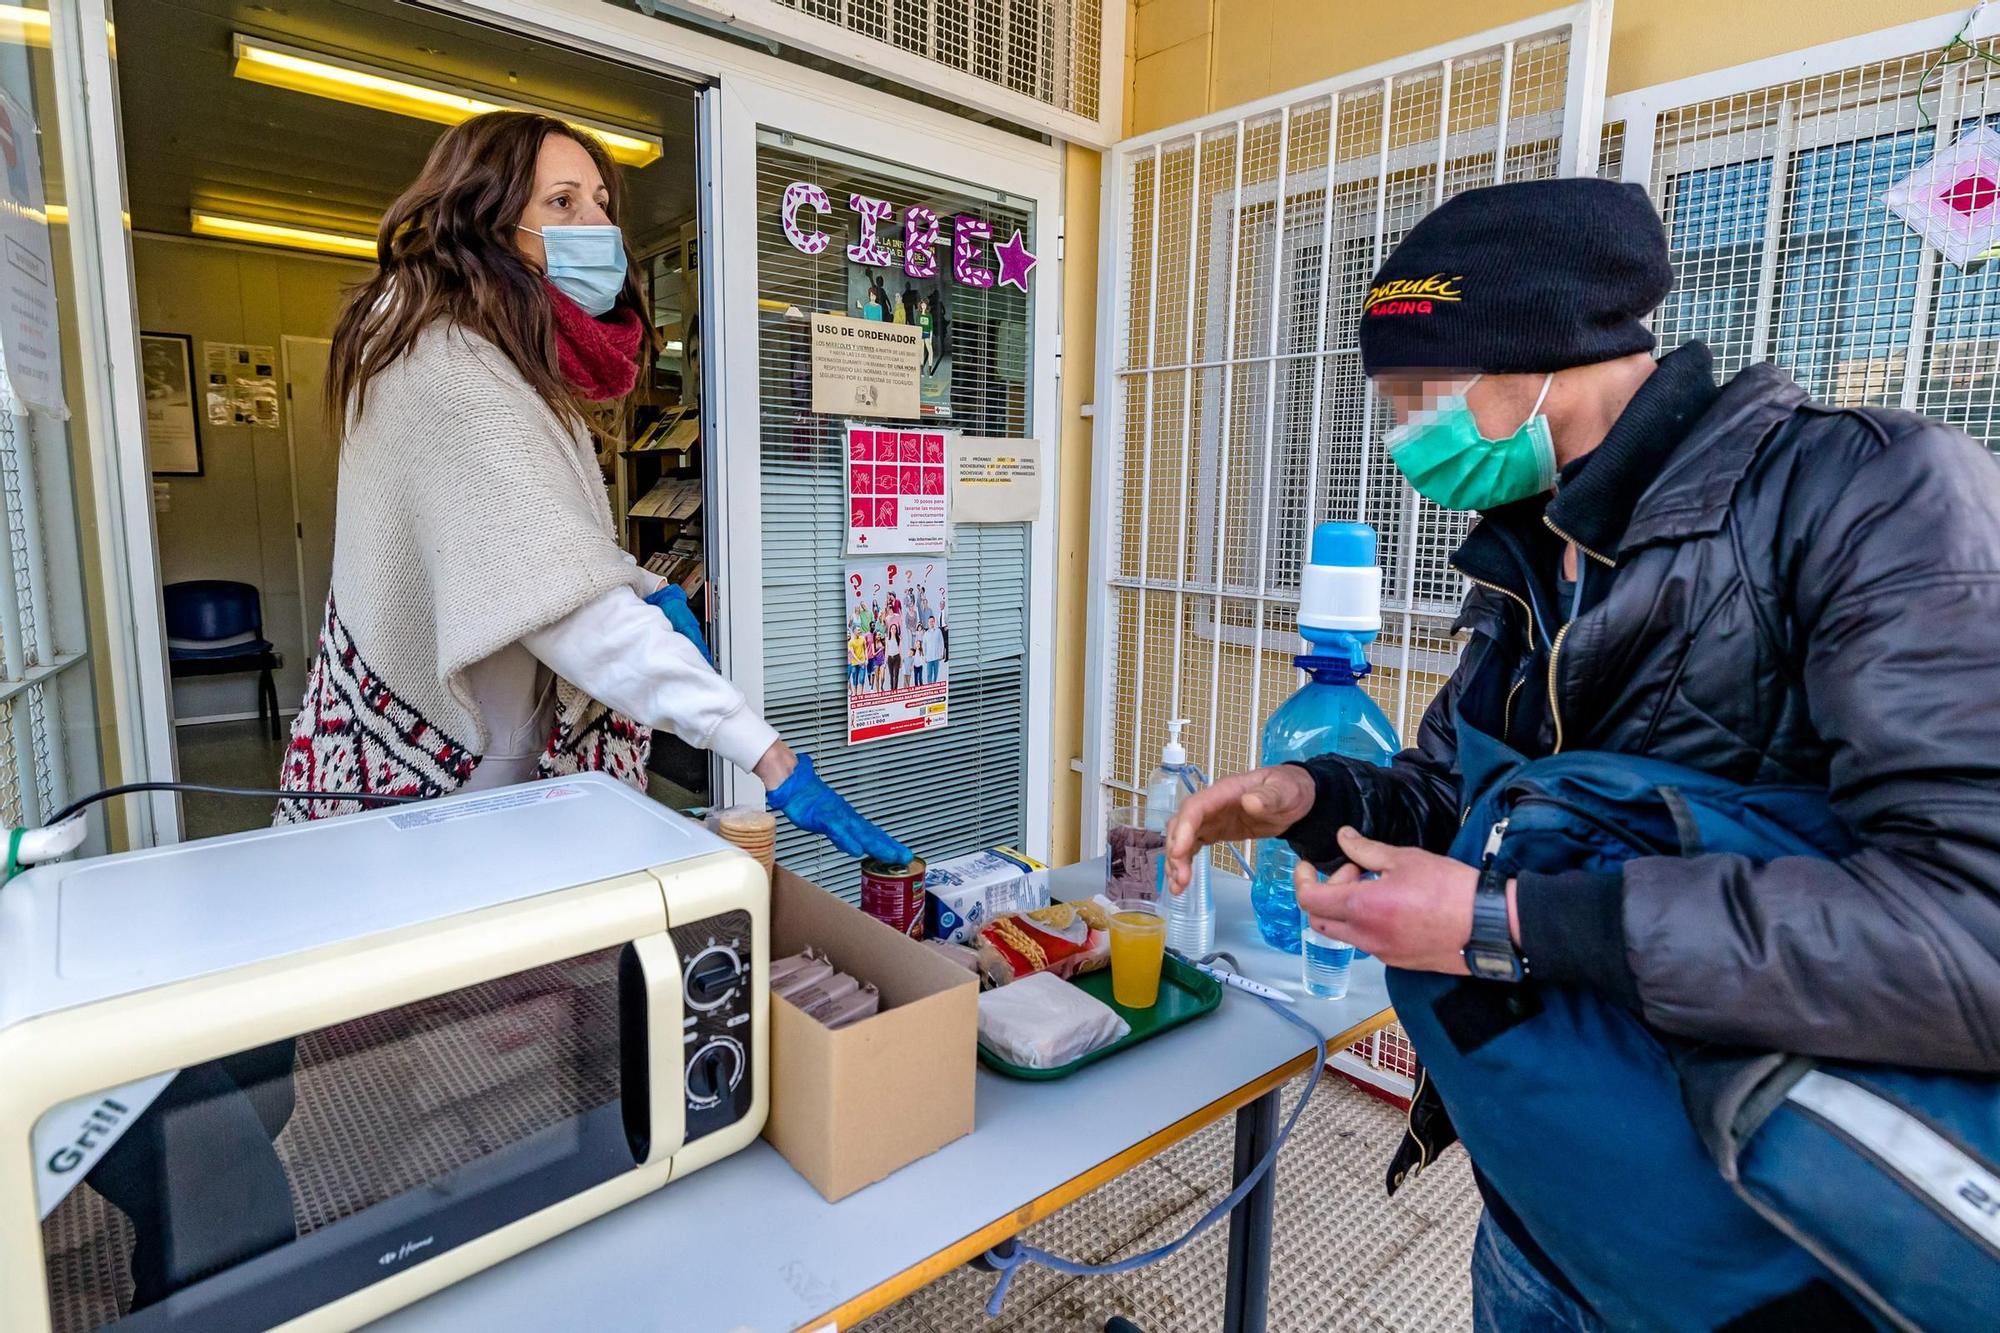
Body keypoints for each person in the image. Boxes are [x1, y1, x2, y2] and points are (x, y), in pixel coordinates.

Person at [1165, 178, 2000, 1329]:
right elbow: (1454, 790)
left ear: (1536, 356)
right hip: (1545, 1215)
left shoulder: (1866, 500)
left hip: (1776, 1254)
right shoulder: (1529, 551)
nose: (1407, 433)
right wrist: (1309, 792)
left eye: (1420, 392)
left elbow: (1969, 930)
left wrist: (1504, 923)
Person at [277, 110, 904, 860]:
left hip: (491, 773)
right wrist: (772, 758)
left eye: (601, 202)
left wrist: (641, 586)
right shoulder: (448, 367)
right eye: (562, 202)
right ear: (486, 218)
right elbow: (560, 602)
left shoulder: (489, 355)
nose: (597, 224)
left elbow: (531, 548)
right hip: (430, 794)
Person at [923, 613, 944, 685]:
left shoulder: (938, 631)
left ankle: (934, 685)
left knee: (935, 673)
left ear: (934, 622)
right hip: (929, 657)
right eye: (930, 621)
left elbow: (941, 643)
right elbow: (924, 646)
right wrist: (925, 656)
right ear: (928, 623)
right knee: (929, 674)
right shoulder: (926, 634)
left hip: (936, 656)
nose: (931, 623)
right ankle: (929, 687)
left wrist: (941, 654)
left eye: (932, 621)